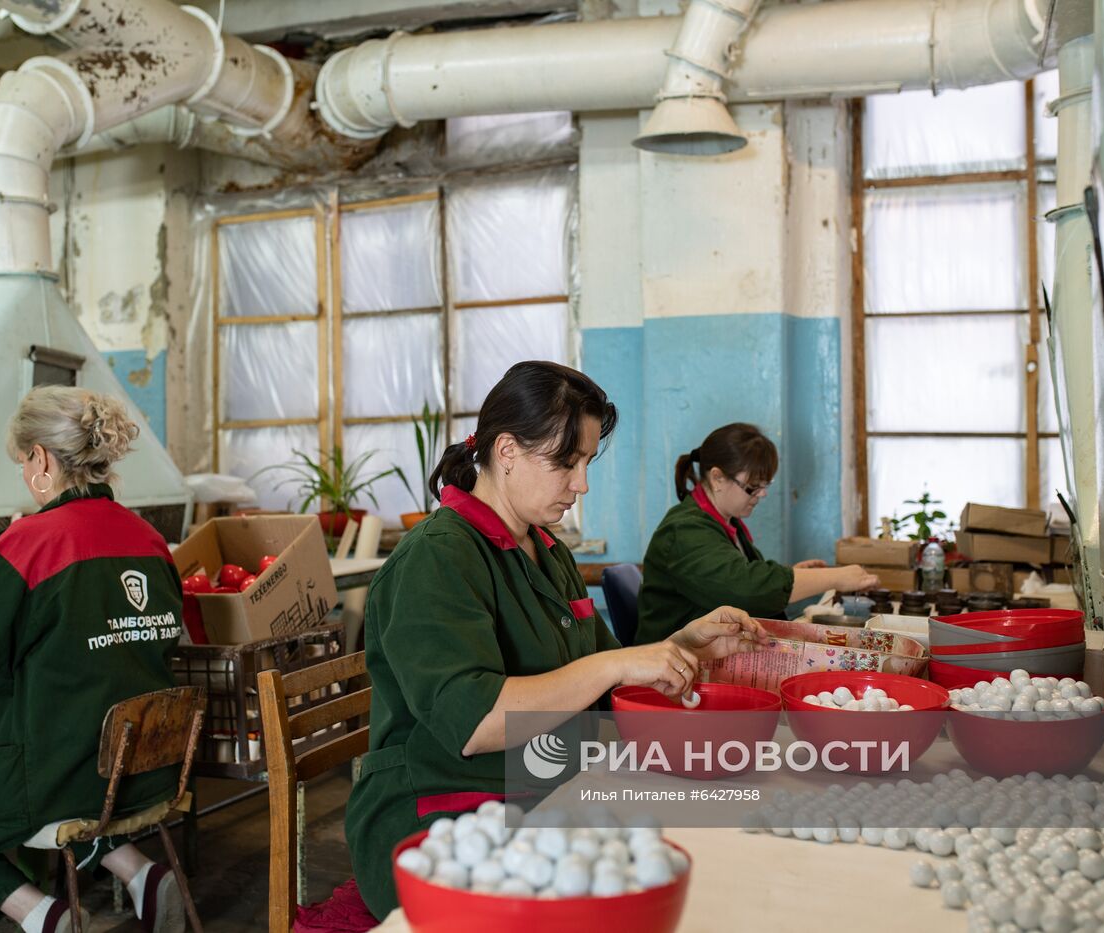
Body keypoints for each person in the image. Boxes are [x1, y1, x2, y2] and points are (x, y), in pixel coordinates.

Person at [344, 362, 766, 920]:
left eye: (587, 461)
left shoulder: (547, 551)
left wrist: (685, 645)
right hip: (442, 812)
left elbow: (601, 670)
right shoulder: (437, 557)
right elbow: (475, 723)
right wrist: (616, 667)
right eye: (566, 462)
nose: (582, 483)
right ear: (507, 451)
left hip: (540, 781)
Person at [0, 387, 189, 933]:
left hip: (58, 768)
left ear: (42, 459)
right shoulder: (150, 540)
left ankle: (41, 914)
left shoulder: (28, 542)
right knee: (69, 766)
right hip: (140, 765)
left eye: (23, 462)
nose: (24, 474)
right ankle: (141, 873)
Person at [635, 423, 878, 645]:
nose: (762, 495)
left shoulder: (725, 522)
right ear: (717, 477)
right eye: (753, 487)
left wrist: (797, 575)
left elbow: (747, 577)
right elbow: (746, 588)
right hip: (671, 663)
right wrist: (835, 578)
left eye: (765, 485)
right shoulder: (684, 531)